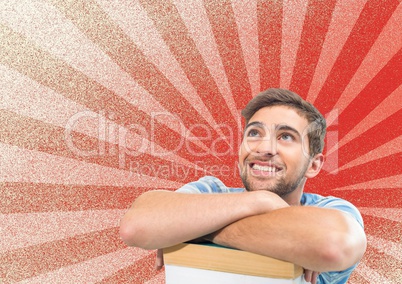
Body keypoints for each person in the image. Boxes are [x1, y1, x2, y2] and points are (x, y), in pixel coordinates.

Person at [120, 88, 367, 284]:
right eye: (254, 133)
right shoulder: (212, 190)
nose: (264, 148)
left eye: (286, 137)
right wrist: (262, 202)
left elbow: (333, 245)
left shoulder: (330, 211)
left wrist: (188, 228)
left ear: (314, 165)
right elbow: (135, 227)